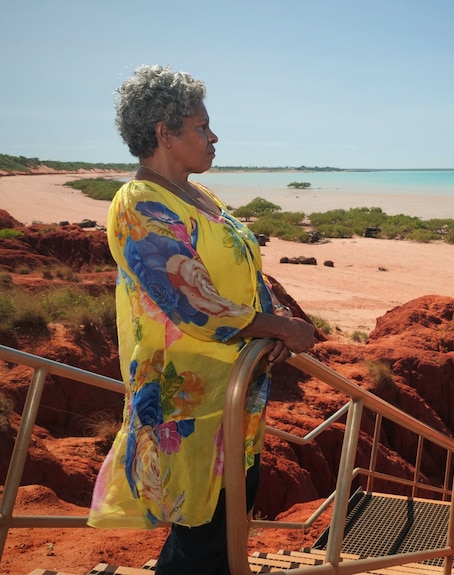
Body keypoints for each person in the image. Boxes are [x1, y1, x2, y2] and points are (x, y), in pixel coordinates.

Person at [87, 64, 317, 574]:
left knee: (221, 530)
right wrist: (279, 328)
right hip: (185, 401)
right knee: (200, 543)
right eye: (201, 127)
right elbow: (191, 300)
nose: (214, 137)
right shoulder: (139, 203)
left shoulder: (200, 197)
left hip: (233, 391)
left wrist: (271, 318)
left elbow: (243, 275)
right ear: (164, 134)